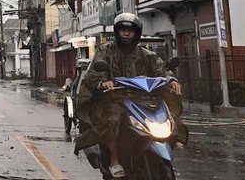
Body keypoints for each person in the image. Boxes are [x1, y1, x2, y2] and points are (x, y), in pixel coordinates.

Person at [73, 12, 181, 178]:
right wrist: (103, 82)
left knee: (169, 118)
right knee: (113, 118)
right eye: (123, 30)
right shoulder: (105, 51)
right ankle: (115, 159)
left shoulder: (146, 55)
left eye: (130, 31)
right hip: (114, 99)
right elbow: (93, 72)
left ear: (136, 33)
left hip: (142, 101)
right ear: (117, 31)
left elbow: (162, 69)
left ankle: (163, 151)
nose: (126, 33)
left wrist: (171, 79)